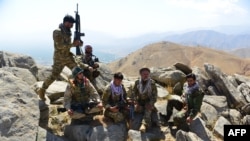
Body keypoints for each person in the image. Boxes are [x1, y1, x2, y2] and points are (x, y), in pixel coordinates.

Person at [36, 15, 83, 101]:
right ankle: (42, 90)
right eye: (70, 23)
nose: (71, 25)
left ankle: (78, 93)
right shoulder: (57, 32)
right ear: (65, 22)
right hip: (59, 58)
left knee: (78, 72)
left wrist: (79, 43)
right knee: (54, 76)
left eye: (72, 24)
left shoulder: (68, 31)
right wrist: (73, 44)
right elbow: (59, 46)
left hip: (68, 57)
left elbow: (70, 44)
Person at [132, 67, 159, 132]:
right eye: (144, 74)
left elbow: (155, 96)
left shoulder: (152, 83)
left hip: (148, 102)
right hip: (139, 102)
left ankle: (143, 125)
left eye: (147, 74)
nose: (146, 75)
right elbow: (134, 93)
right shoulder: (137, 82)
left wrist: (150, 103)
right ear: (140, 74)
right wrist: (136, 102)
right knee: (132, 109)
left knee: (148, 110)